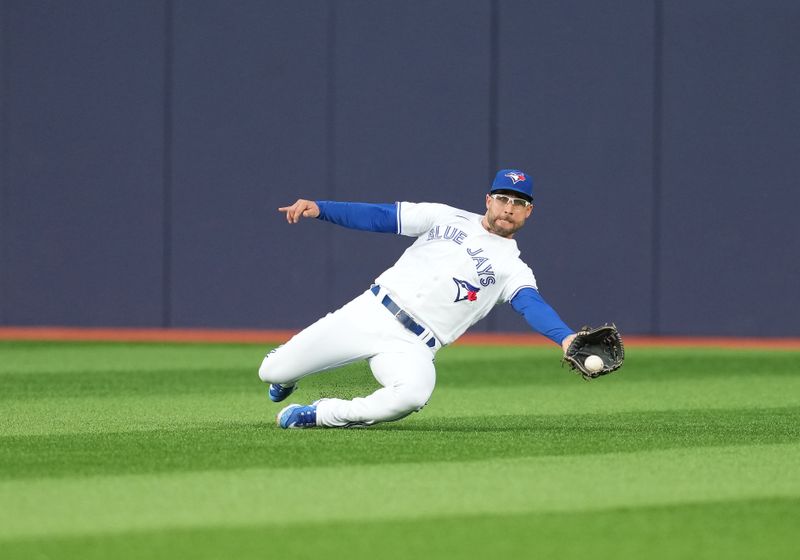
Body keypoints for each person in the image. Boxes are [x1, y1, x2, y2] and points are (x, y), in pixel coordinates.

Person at [260, 169, 577, 429]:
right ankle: (286, 375)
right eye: (503, 198)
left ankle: (321, 414)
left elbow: (532, 305)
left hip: (413, 346)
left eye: (518, 203)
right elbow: (381, 217)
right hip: (371, 313)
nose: (509, 208)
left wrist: (565, 339)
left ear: (529, 211)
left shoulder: (514, 269)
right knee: (271, 372)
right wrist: (321, 208)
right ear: (488, 201)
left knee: (412, 395)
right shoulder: (444, 216)